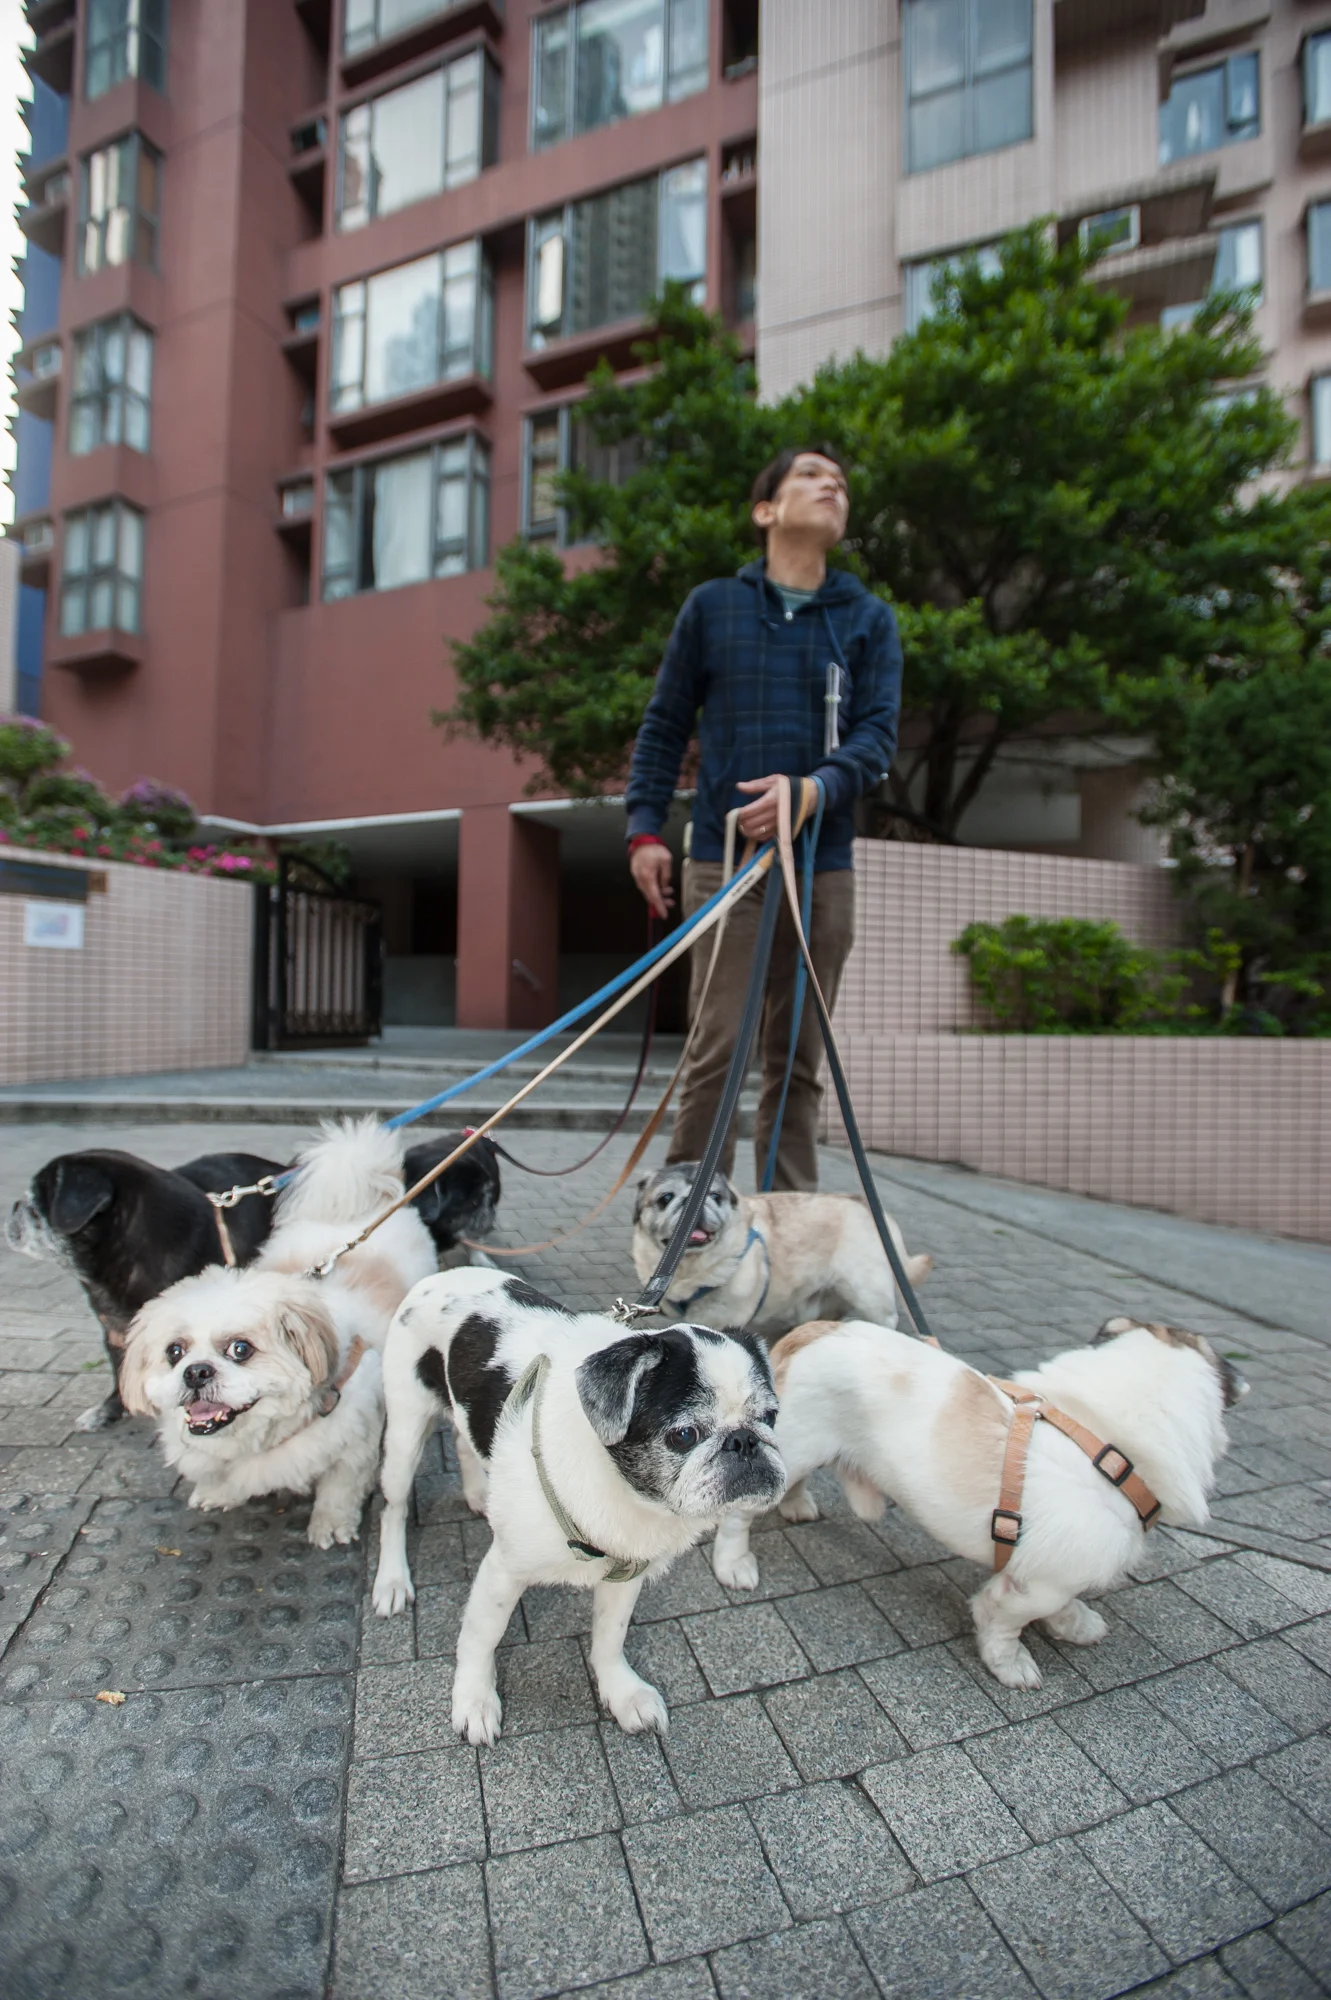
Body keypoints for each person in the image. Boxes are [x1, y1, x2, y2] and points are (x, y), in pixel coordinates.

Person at [624, 445, 902, 1191]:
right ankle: (687, 1214)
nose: (831, 486)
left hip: (824, 864)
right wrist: (645, 830)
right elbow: (664, 725)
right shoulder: (713, 606)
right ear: (765, 509)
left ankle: (788, 1227)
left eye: (840, 481)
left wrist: (812, 789)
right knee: (718, 1044)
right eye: (811, 476)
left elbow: (877, 737)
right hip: (723, 858)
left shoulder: (868, 620)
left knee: (797, 1055)